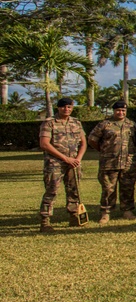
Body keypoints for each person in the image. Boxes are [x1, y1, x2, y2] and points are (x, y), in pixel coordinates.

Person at [38, 96, 87, 232]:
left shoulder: (76, 123)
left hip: (74, 163)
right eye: (64, 107)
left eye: (69, 107)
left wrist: (78, 158)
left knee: (74, 190)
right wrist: (66, 159)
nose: (66, 109)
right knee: (52, 190)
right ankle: (45, 220)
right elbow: (45, 144)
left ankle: (73, 216)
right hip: (55, 163)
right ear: (58, 108)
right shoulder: (49, 123)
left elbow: (83, 143)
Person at [87, 100, 136, 225]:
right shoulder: (105, 124)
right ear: (114, 111)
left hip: (128, 162)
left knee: (128, 186)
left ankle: (127, 210)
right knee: (108, 188)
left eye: (123, 111)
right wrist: (104, 151)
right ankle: (106, 212)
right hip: (109, 162)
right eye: (118, 110)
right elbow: (92, 140)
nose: (120, 113)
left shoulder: (131, 125)